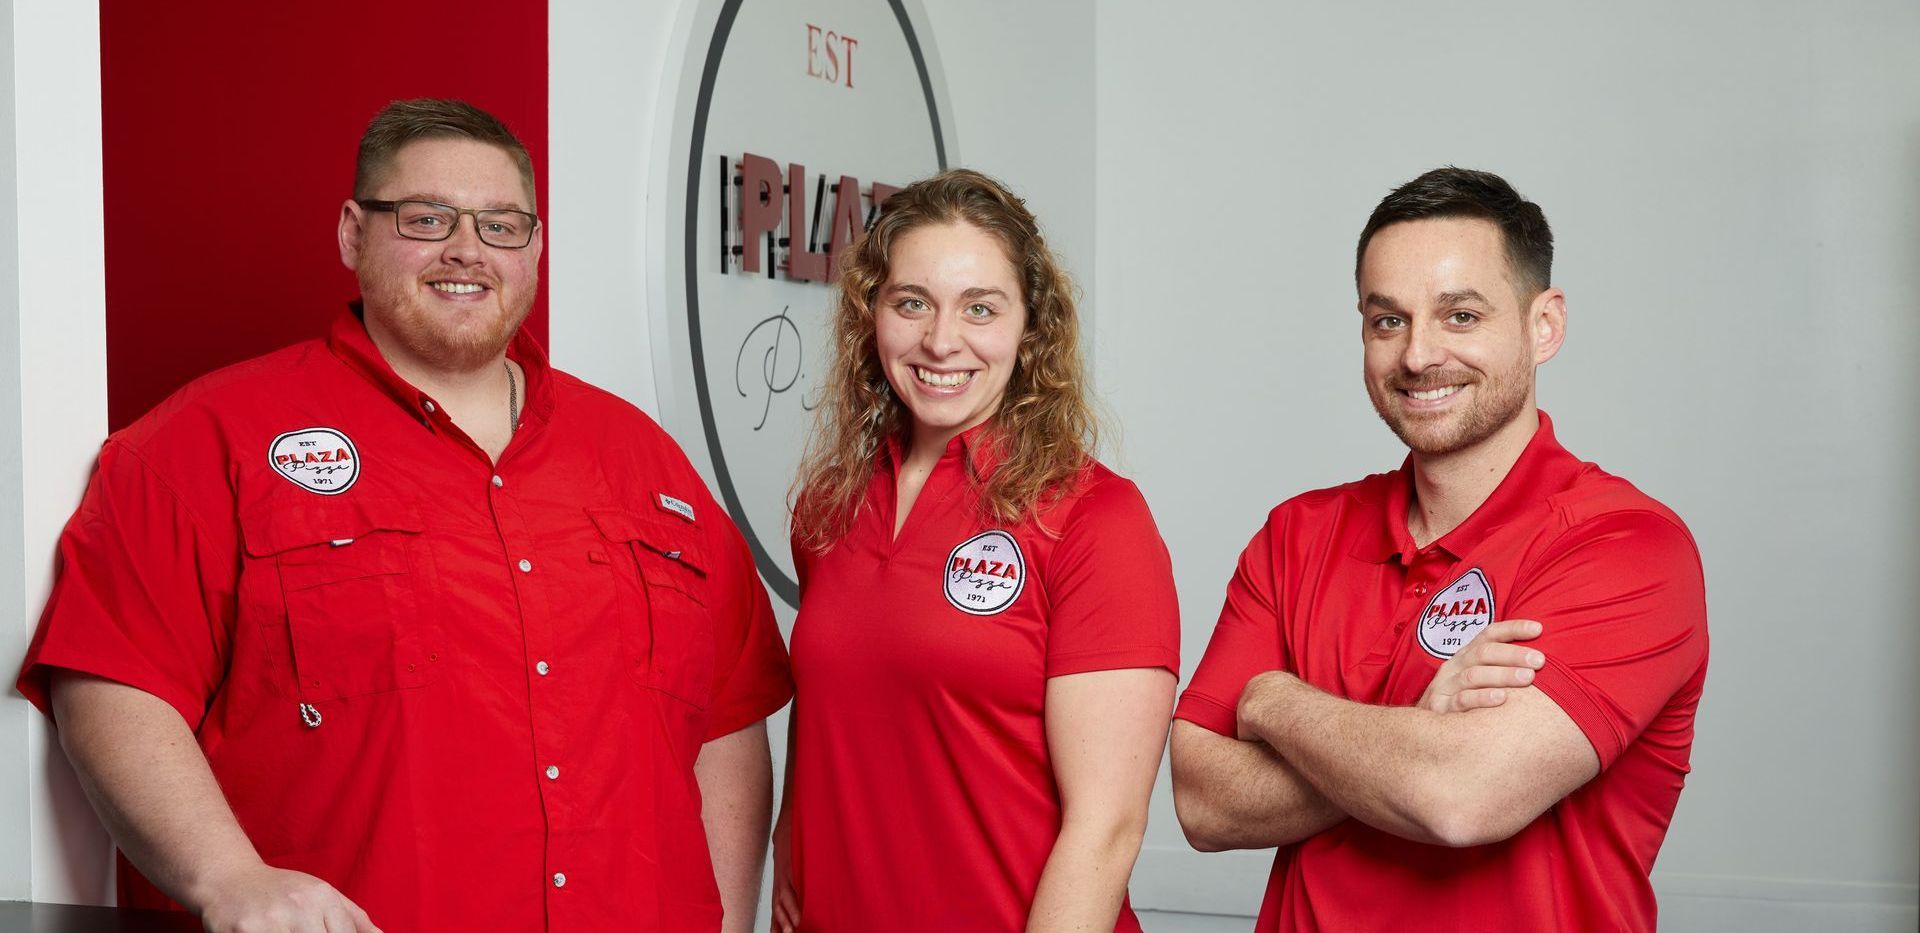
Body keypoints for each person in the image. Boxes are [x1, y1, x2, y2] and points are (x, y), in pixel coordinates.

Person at [14, 98, 792, 933]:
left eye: (501, 224)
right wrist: (227, 876)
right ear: (353, 233)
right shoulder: (205, 444)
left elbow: (727, 721)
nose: (467, 250)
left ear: (534, 247)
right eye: (426, 218)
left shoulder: (646, 462)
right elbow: (110, 681)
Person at [1170, 167, 1709, 931]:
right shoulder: (1298, 534)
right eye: (1387, 320)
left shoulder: (1626, 546)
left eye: (1460, 315)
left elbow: (1462, 796)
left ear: (1543, 324)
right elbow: (1202, 801)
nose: (1419, 355)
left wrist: (1274, 699)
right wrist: (1416, 725)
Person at [770, 169, 1179, 932]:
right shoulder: (831, 506)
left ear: (1031, 326)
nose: (940, 340)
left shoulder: (1094, 517)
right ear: (872, 315)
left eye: (979, 308)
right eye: (911, 302)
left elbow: (1108, 827)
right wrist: (790, 845)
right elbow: (833, 703)